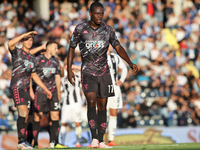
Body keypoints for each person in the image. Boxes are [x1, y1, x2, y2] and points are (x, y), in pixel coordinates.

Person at [67, 2, 138, 149]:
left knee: (103, 106)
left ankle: (101, 140)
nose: (100, 16)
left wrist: (129, 62)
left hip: (105, 74)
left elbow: (118, 46)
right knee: (91, 101)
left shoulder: (108, 30)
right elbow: (72, 48)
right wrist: (69, 69)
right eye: (97, 13)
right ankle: (94, 139)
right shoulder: (80, 29)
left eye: (102, 13)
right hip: (87, 73)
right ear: (90, 13)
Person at [7, 31, 52, 150]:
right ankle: (21, 142)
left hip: (26, 89)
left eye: (31, 40)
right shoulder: (17, 52)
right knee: (23, 113)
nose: (29, 42)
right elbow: (10, 44)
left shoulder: (31, 57)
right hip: (17, 87)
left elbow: (34, 75)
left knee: (26, 117)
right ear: (22, 41)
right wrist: (24, 34)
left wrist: (45, 89)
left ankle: (24, 141)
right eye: (27, 39)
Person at [31, 41, 66, 149]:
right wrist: (31, 91)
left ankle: (54, 142)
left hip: (54, 92)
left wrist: (59, 94)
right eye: (55, 48)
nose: (57, 51)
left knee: (55, 116)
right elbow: (31, 75)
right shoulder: (37, 59)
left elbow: (58, 78)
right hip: (41, 91)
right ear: (49, 48)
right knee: (38, 116)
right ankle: (35, 142)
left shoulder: (56, 60)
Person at [106, 47, 128, 146]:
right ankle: (97, 139)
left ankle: (111, 139)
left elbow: (124, 68)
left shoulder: (115, 57)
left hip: (114, 88)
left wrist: (121, 80)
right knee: (99, 113)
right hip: (101, 88)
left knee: (113, 113)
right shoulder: (97, 57)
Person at [60, 62, 83, 147]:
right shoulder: (63, 79)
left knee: (78, 123)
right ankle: (62, 142)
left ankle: (78, 142)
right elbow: (61, 89)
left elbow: (84, 69)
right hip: (66, 103)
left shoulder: (78, 76)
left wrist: (74, 67)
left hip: (76, 103)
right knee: (63, 123)